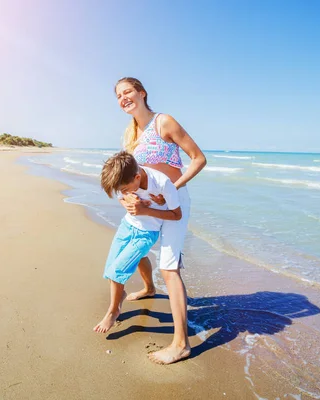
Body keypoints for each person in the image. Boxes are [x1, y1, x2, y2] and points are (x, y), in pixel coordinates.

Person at [115, 77, 207, 364]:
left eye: (128, 91)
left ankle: (181, 344)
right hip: (145, 204)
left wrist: (172, 189)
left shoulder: (163, 122)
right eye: (118, 95)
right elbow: (127, 177)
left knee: (169, 267)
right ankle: (149, 288)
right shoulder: (130, 137)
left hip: (173, 202)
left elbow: (198, 159)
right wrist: (127, 198)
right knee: (134, 247)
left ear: (142, 93)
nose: (123, 98)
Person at [93, 151, 182, 334]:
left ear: (137, 177)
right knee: (114, 268)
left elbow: (177, 215)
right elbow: (122, 197)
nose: (124, 192)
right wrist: (125, 200)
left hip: (147, 233)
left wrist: (144, 211)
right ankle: (149, 289)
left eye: (126, 188)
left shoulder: (162, 183)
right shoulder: (128, 179)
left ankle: (113, 310)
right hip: (127, 226)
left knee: (116, 272)